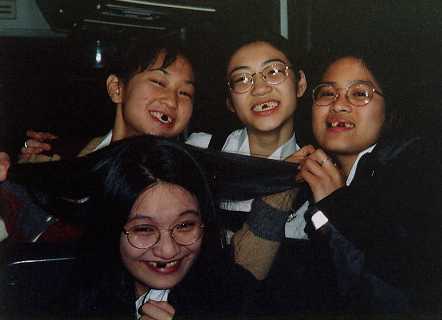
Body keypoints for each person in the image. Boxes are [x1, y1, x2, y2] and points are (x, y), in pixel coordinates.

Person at [236, 47, 442, 314]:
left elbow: (397, 301)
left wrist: (337, 206)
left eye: (359, 94)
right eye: (327, 93)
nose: (339, 104)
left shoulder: (416, 171)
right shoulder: (316, 173)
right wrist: (280, 190)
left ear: (389, 108)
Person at [2, 135, 263, 319]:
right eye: (144, 230)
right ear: (112, 228)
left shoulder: (238, 297)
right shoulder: (66, 294)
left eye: (185, 225)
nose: (168, 250)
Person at [19, 36, 195, 162]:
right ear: (117, 89)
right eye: (158, 82)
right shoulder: (68, 154)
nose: (172, 101)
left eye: (185, 93)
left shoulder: (184, 177)